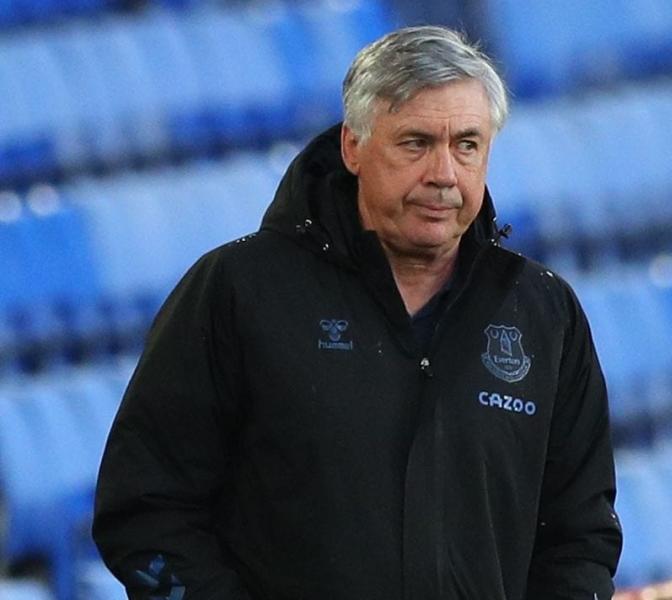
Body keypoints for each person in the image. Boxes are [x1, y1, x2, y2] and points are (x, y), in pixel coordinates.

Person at [93, 25, 622, 600]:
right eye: (416, 143)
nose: (443, 174)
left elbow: (580, 535)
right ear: (353, 146)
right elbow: (146, 510)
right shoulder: (238, 292)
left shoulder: (545, 313)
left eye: (466, 145)